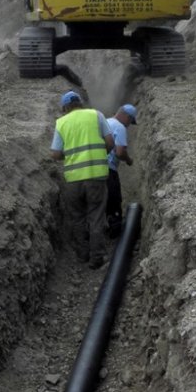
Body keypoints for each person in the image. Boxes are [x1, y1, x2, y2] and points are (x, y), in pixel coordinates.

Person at [50, 90, 114, 269]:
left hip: (73, 179)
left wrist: (70, 155)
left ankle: (82, 254)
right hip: (96, 175)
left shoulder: (61, 122)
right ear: (80, 102)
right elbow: (110, 142)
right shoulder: (96, 115)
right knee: (96, 216)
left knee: (77, 217)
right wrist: (101, 154)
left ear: (64, 108)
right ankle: (97, 258)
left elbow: (55, 153)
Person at [106, 104, 138, 238]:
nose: (129, 125)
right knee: (114, 200)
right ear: (126, 117)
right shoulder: (120, 127)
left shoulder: (106, 122)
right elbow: (120, 152)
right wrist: (129, 160)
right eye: (130, 121)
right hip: (109, 169)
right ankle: (116, 233)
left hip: (94, 167)